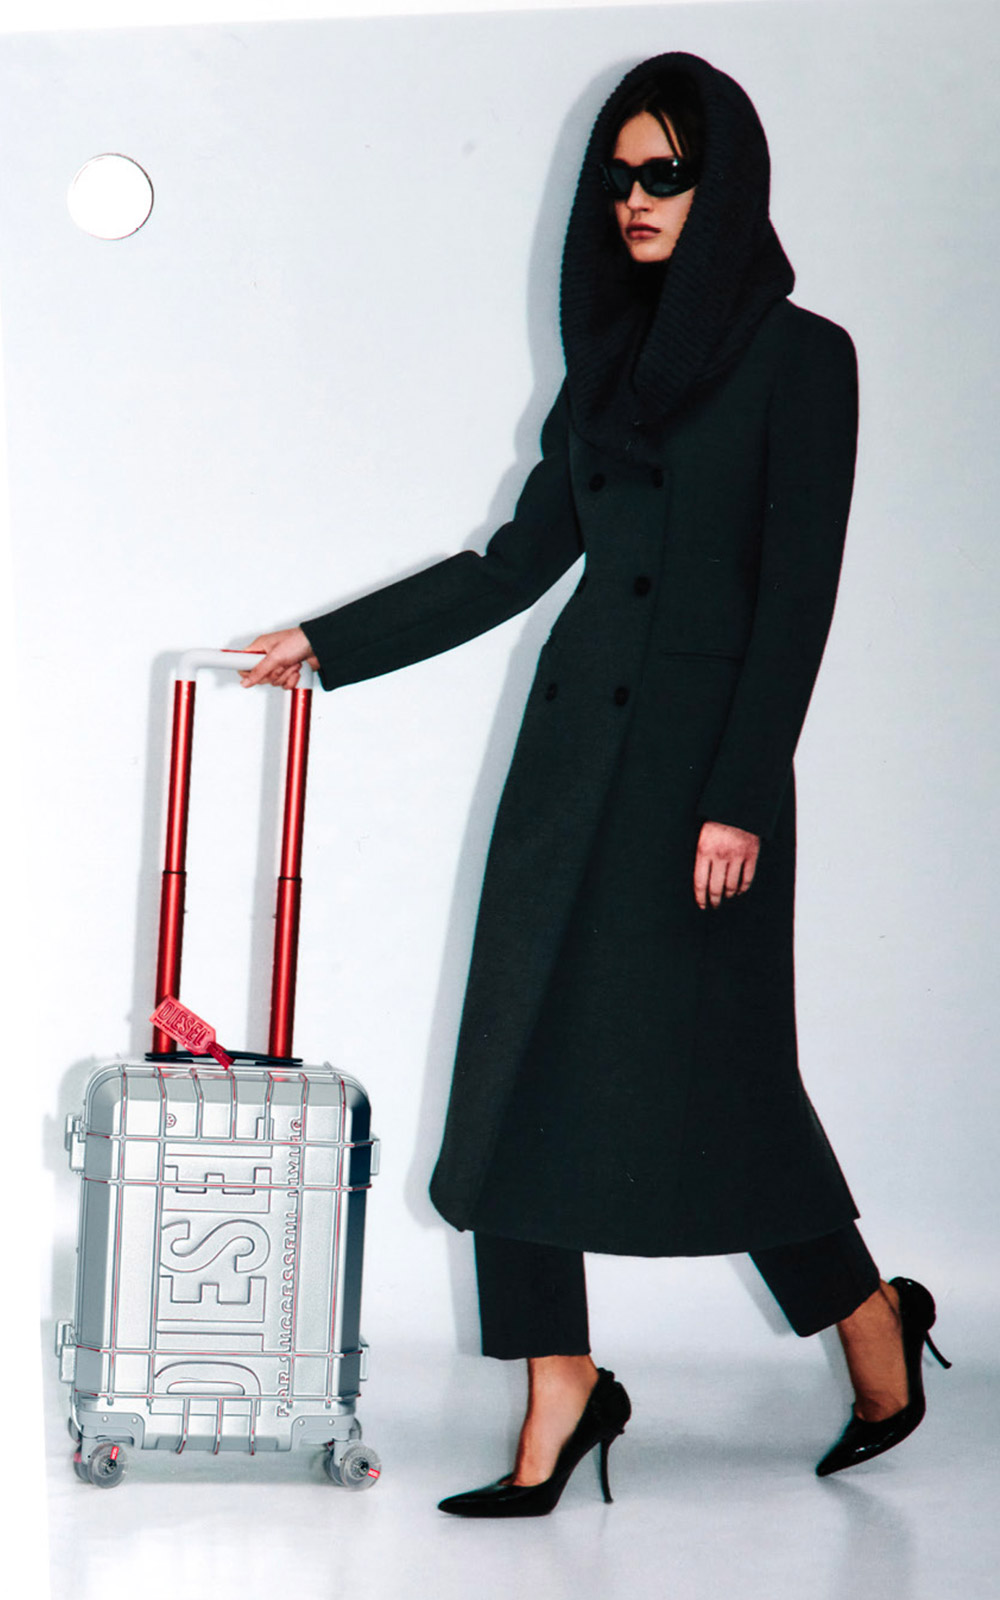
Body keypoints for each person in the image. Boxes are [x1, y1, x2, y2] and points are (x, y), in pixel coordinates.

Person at [241, 52, 949, 1516]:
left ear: (724, 185)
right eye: (617, 178)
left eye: (663, 174)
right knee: (518, 1066)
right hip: (573, 770)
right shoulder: (609, 367)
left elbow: (796, 600)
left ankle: (871, 1320)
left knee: (728, 1081)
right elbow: (517, 561)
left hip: (703, 788)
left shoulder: (804, 359)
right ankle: (558, 1383)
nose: (634, 200)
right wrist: (329, 642)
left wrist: (739, 795)